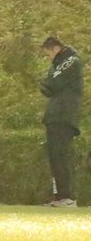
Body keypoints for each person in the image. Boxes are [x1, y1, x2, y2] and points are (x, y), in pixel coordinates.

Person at [40, 36, 83, 208]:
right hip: (54, 116)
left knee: (61, 156)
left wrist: (49, 82)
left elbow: (52, 83)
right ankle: (59, 196)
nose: (48, 58)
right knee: (54, 157)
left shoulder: (71, 60)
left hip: (64, 116)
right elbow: (47, 87)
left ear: (55, 48)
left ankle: (68, 196)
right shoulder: (57, 64)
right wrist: (49, 83)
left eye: (48, 54)